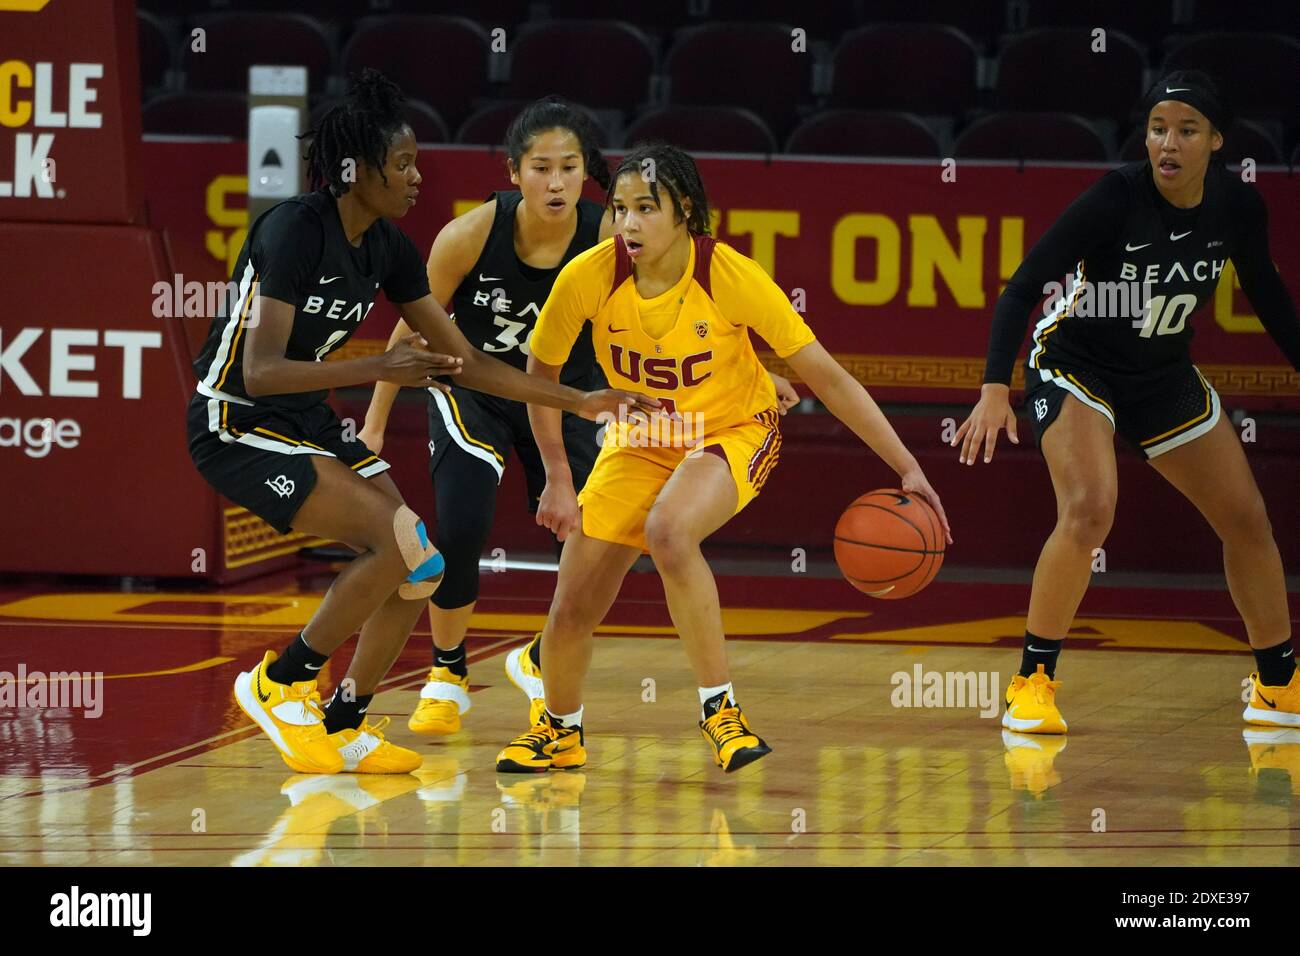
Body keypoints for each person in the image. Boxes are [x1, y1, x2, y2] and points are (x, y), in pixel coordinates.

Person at [186, 70, 655, 775]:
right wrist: (378, 371)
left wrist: (580, 402)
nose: (415, 178)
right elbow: (260, 373)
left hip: (306, 415)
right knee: (387, 539)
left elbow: (462, 362)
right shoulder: (294, 230)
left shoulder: (389, 248)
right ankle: (282, 683)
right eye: (402, 164)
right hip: (234, 420)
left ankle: (343, 719)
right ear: (358, 170)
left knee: (420, 563)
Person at [494, 143, 952, 774]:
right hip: (642, 438)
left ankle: (721, 711)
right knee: (573, 603)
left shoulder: (729, 274)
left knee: (670, 530)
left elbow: (829, 377)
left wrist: (906, 465)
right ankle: (561, 728)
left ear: (684, 210)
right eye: (621, 208)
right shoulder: (590, 276)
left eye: (646, 208)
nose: (628, 223)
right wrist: (556, 477)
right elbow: (539, 377)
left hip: (732, 429)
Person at [359, 98, 799, 737]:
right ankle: (448, 671)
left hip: (574, 399)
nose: (557, 181)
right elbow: (411, 329)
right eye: (541, 167)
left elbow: (684, 317)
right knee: (462, 522)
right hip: (476, 390)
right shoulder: (469, 235)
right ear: (515, 172)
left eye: (570, 167)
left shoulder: (612, 238)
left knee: (586, 545)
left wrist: (762, 373)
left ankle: (543, 663)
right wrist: (375, 420)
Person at [952, 71, 1300, 734]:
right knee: (1089, 509)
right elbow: (1022, 288)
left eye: (1186, 130)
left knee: (1248, 518)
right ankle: (1033, 682)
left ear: (1216, 141)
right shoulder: (1115, 198)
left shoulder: (1237, 208)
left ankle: (1277, 686)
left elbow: (1271, 302)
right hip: (1076, 365)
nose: (1168, 143)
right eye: (1158, 128)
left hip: (1162, 372)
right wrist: (995, 386)